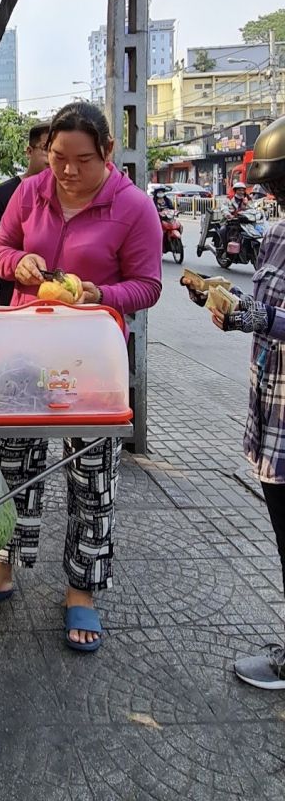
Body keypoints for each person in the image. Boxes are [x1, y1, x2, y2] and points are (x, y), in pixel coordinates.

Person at [0, 102, 162, 652]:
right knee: (13, 467)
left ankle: (82, 591)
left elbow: (147, 285)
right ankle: (0, 569)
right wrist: (13, 262)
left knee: (91, 477)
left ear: (108, 153)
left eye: (82, 160)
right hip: (22, 354)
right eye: (57, 158)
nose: (66, 171)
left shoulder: (134, 208)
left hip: (91, 361)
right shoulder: (31, 192)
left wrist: (101, 294)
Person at [183, 115, 285, 688]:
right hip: (271, 413)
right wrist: (222, 302)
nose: (274, 199)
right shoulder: (273, 235)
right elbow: (260, 305)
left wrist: (261, 317)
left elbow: (271, 316)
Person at [0, 123, 50, 312]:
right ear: (29, 151)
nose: (52, 158)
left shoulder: (70, 197)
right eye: (45, 149)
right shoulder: (1, 195)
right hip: (11, 302)